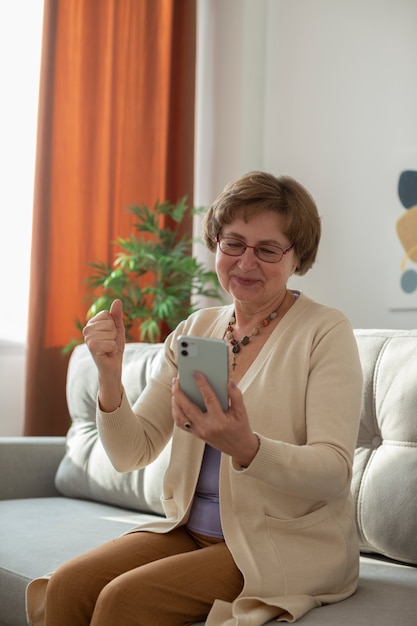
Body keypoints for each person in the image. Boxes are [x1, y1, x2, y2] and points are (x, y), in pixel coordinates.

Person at [42, 171, 363, 625]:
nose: (245, 262)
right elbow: (131, 453)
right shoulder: (196, 330)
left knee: (123, 601)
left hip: (279, 545)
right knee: (67, 585)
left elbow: (333, 473)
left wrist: (245, 447)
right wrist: (110, 376)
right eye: (233, 243)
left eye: (268, 249)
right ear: (216, 244)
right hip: (190, 531)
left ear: (298, 257)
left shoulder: (325, 332)